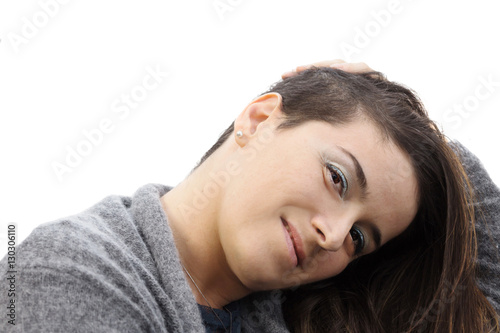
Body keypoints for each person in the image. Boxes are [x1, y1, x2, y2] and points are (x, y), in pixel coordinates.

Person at [1, 61, 498, 333]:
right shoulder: (70, 275)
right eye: (338, 179)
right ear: (259, 120)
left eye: (361, 238)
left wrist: (427, 146)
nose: (335, 234)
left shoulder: (299, 312)